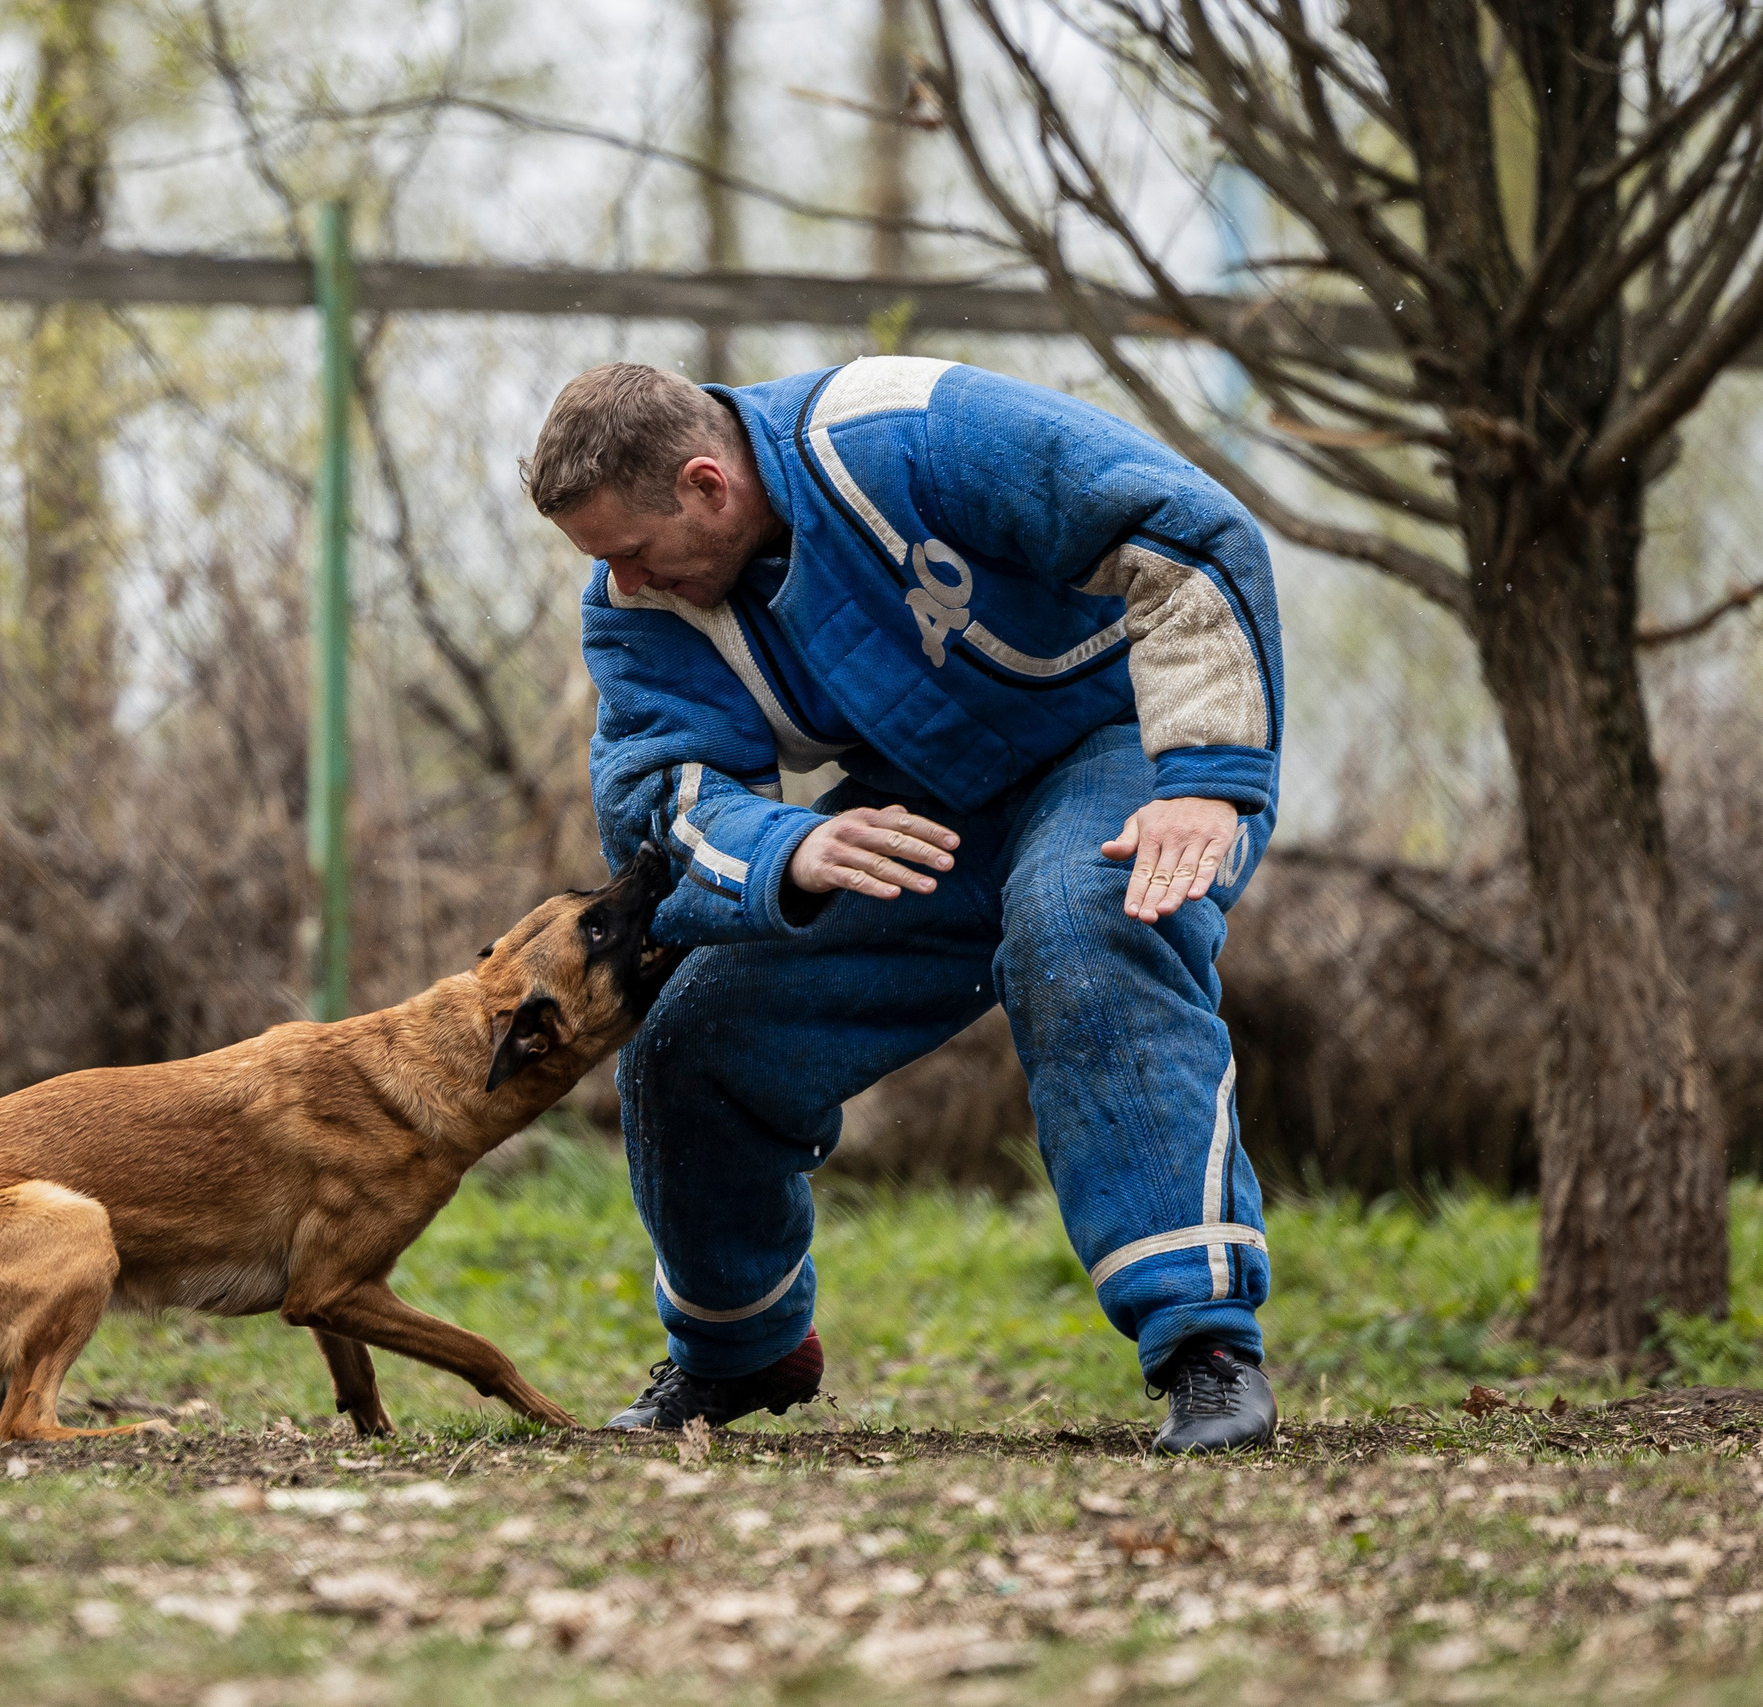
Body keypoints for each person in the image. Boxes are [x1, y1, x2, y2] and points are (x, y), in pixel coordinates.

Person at [526, 357, 1281, 1454]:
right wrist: (791, 847)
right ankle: (739, 1353)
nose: (622, 581)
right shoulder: (639, 602)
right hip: (928, 804)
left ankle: (1206, 1349)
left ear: (705, 485)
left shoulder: (909, 430)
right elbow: (658, 798)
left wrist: (1206, 775)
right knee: (691, 1036)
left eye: (632, 550)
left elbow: (1188, 532)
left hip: (1125, 746)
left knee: (1085, 924)